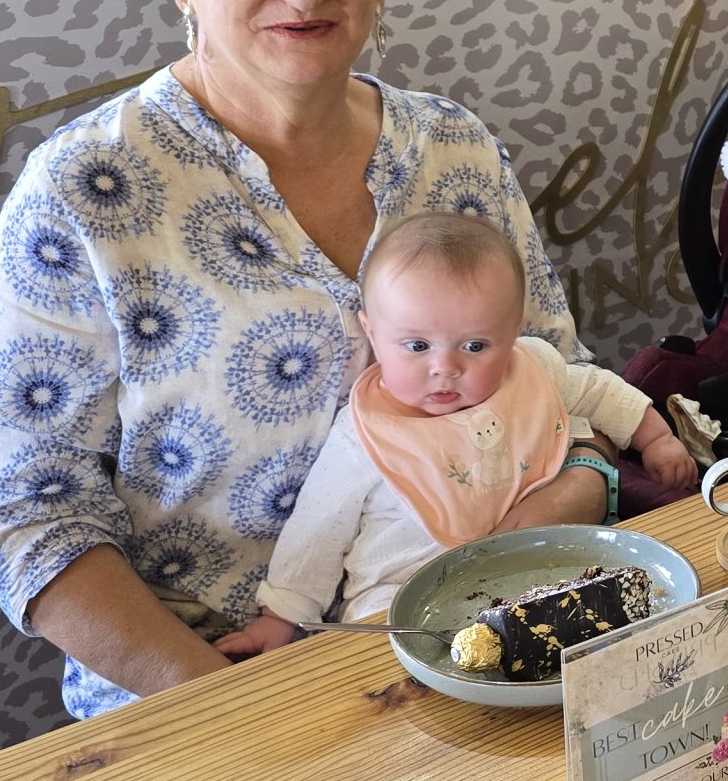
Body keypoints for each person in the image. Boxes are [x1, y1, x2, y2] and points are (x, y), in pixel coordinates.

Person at [0, 0, 613, 718]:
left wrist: (530, 539)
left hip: (478, 658)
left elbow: (561, 384)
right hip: (201, 693)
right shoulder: (84, 193)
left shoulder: (455, 149)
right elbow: (33, 515)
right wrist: (231, 704)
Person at [215, 214, 694, 654]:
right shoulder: (364, 435)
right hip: (402, 599)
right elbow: (318, 529)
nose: (445, 367)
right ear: (372, 333)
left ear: (513, 331)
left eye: (475, 345)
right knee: (377, 640)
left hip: (532, 574)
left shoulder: (532, 370)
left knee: (608, 603)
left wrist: (653, 437)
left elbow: (596, 390)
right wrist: (283, 618)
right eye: (417, 345)